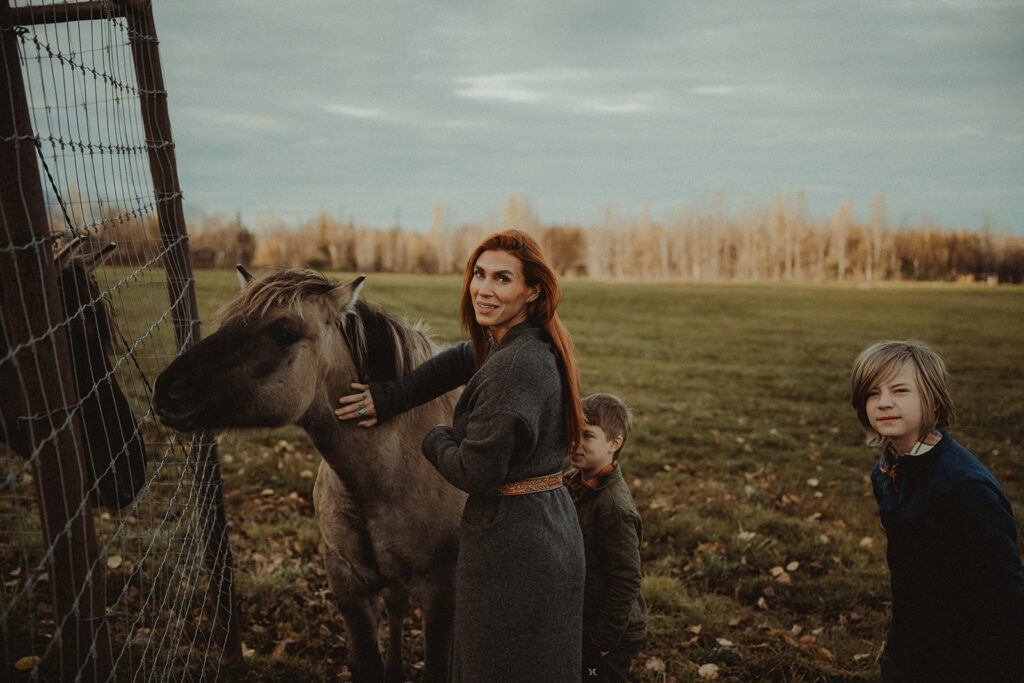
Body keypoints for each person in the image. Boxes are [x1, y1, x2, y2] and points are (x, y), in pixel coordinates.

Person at [335, 229, 585, 682]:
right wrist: (392, 396)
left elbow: (475, 470)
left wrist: (432, 436)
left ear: (533, 291)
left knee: (498, 666)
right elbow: (459, 359)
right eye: (479, 274)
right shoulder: (519, 342)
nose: (483, 289)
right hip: (543, 528)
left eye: (502, 279)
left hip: (514, 545)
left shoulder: (513, 368)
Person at [850, 340, 1024, 682]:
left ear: (932, 398)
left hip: (966, 656)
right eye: (872, 393)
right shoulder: (887, 471)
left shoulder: (962, 487)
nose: (884, 402)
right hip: (910, 644)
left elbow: (1004, 594)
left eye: (900, 390)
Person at [564, 393, 647, 683]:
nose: (575, 442)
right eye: (572, 431)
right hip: (584, 621)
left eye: (587, 435)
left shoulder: (614, 507)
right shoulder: (572, 483)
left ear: (614, 443)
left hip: (610, 634)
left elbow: (627, 579)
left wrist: (601, 640)